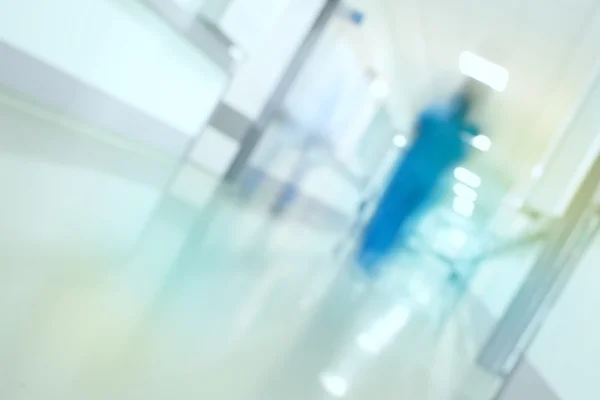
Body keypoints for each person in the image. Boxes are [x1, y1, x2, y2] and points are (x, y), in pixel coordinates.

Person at [356, 81, 484, 273]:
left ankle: (366, 250)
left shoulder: (434, 117)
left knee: (387, 209)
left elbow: (417, 126)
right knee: (403, 219)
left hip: (408, 172)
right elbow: (459, 158)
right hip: (427, 183)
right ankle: (377, 258)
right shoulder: (458, 140)